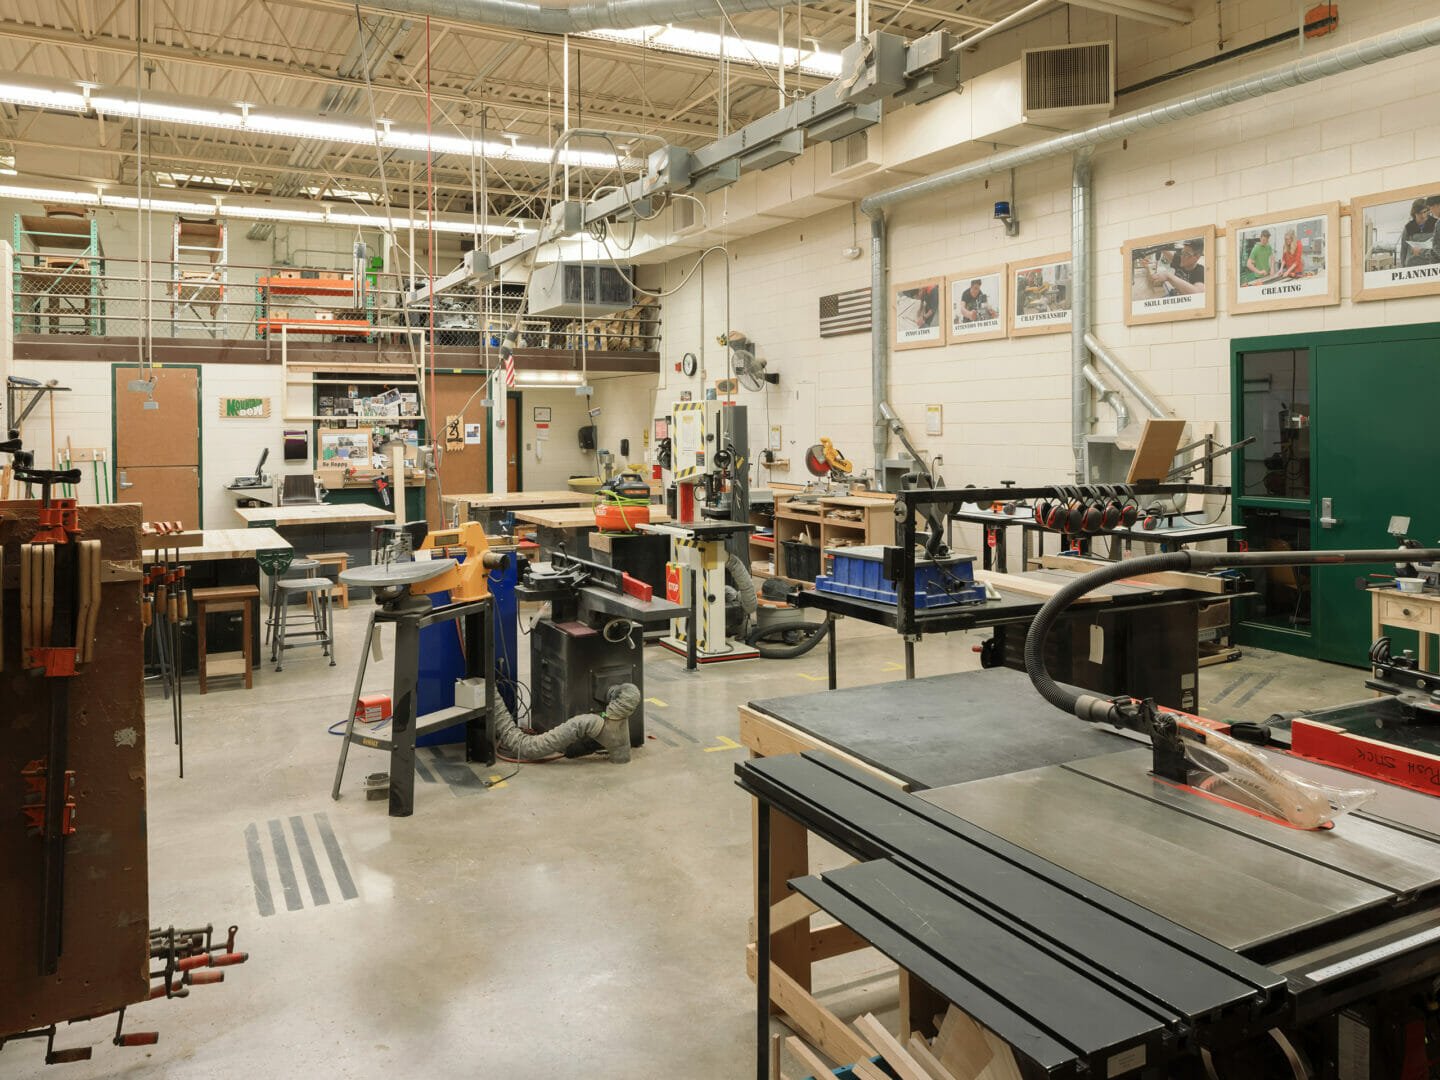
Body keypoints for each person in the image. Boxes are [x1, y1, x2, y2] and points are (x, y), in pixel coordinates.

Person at [1399, 198, 1436, 266]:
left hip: (1430, 264)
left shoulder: (1436, 224)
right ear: (1414, 213)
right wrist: (1403, 266)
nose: (1423, 216)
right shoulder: (1408, 227)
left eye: (1425, 212)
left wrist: (1421, 251)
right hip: (1412, 264)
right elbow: (1403, 249)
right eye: (1419, 213)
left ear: (1428, 210)